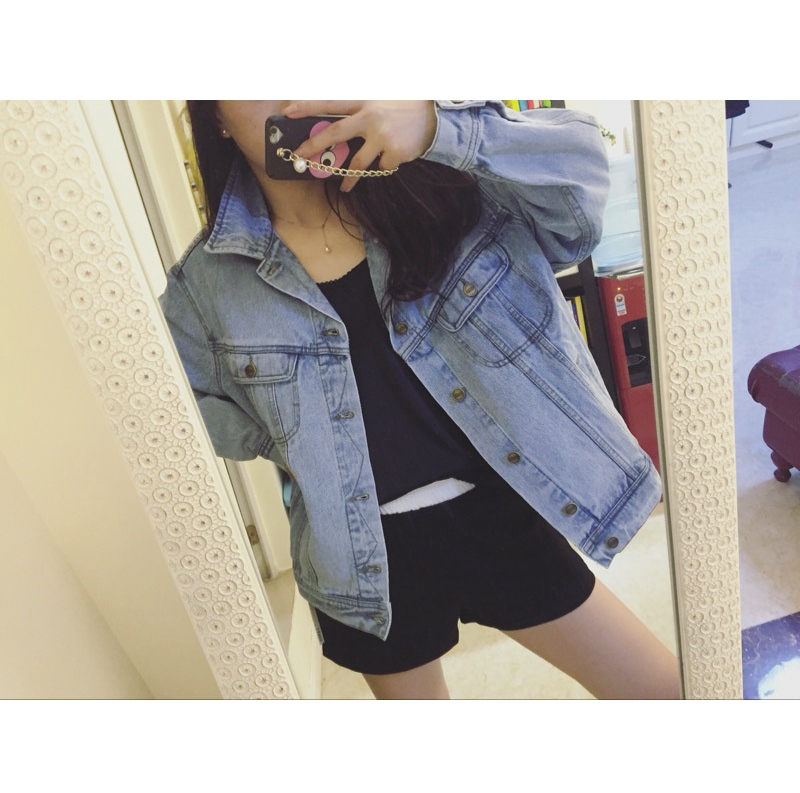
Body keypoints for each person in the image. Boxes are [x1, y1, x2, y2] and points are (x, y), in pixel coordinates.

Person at [159, 100, 680, 700]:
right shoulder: (204, 286)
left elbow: (579, 185)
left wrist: (438, 127)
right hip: (362, 561)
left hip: (499, 513)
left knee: (664, 693)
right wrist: (297, 435)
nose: (293, 96)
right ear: (217, 118)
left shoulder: (446, 184)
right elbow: (199, 413)